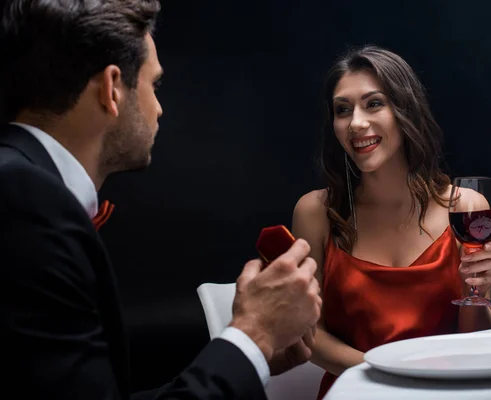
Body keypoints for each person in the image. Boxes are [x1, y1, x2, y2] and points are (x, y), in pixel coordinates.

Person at [0, 1, 321, 399]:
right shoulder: (25, 201)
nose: (159, 108)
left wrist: (252, 358)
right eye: (155, 85)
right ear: (112, 88)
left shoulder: (23, 187)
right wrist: (254, 333)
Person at [292, 45, 491, 398]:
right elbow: (310, 335)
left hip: (448, 392)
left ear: (406, 111)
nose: (356, 122)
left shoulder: (466, 206)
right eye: (343, 110)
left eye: (374, 103)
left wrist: (477, 291)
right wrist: (389, 376)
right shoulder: (315, 212)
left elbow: (474, 338)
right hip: (359, 392)